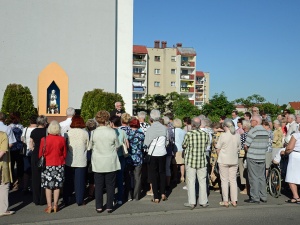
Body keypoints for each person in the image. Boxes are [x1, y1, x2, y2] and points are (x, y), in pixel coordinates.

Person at [88, 110, 120, 213]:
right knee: (110, 185)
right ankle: (110, 206)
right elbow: (117, 145)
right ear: (107, 119)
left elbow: (89, 147)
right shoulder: (112, 131)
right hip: (110, 161)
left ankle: (99, 206)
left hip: (98, 161)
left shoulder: (93, 132)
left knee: (99, 185)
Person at [182, 117, 209, 209]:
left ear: (192, 124)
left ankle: (192, 202)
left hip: (191, 160)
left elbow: (184, 145)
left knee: (191, 181)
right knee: (202, 181)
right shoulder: (205, 134)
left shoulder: (189, 134)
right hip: (201, 160)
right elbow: (207, 145)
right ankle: (203, 201)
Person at [40, 120, 67, 213]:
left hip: (47, 165)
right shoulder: (62, 139)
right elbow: (64, 153)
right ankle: (55, 205)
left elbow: (40, 154)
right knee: (57, 186)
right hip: (59, 164)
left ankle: (49, 206)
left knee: (48, 186)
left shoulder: (44, 139)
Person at [63, 115, 89, 206]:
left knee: (68, 181)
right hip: (81, 159)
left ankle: (66, 199)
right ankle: (80, 200)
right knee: (80, 182)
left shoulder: (68, 133)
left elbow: (65, 146)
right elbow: (88, 146)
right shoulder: (85, 133)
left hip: (70, 159)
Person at [144, 109, 168, 203]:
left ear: (151, 118)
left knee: (154, 175)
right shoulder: (164, 128)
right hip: (162, 152)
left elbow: (146, 143)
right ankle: (163, 193)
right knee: (162, 173)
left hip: (153, 153)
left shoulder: (150, 129)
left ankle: (156, 197)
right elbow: (167, 142)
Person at [244, 115, 269, 204]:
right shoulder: (266, 132)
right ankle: (263, 196)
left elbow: (246, 145)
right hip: (262, 156)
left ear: (256, 122)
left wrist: (248, 151)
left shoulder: (253, 131)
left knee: (253, 177)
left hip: (253, 156)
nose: (250, 122)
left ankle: (255, 197)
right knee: (261, 177)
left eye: (251, 121)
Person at [216, 118, 241, 207]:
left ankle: (226, 201)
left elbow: (218, 148)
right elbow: (239, 148)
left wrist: (219, 155)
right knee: (233, 180)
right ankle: (234, 200)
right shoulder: (237, 135)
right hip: (234, 159)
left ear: (225, 126)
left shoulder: (223, 135)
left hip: (223, 160)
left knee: (224, 181)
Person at [110, 116, 129, 205]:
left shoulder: (109, 132)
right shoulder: (123, 132)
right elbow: (127, 145)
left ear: (112, 123)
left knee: (111, 179)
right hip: (121, 156)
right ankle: (120, 198)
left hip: (111, 157)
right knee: (120, 178)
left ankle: (112, 198)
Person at [124, 118, 145, 201]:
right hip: (138, 157)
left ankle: (129, 195)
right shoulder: (141, 134)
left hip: (129, 157)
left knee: (128, 177)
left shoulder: (127, 133)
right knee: (138, 177)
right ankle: (137, 196)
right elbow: (144, 146)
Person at [29, 115, 48, 206]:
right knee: (44, 177)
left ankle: (35, 198)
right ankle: (42, 198)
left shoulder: (34, 131)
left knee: (35, 177)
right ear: (45, 122)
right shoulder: (47, 132)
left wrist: (33, 149)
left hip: (35, 154)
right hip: (44, 155)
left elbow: (31, 143)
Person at [21, 114, 38, 194]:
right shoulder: (38, 129)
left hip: (26, 151)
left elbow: (22, 139)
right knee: (35, 170)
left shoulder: (25, 129)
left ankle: (25, 187)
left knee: (26, 170)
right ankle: (33, 187)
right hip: (35, 152)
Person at [0, 131, 15, 217]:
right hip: (2, 164)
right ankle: (2, 209)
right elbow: (3, 151)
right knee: (4, 185)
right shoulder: (2, 135)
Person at [8, 112, 24, 190]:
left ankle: (13, 182)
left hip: (12, 148)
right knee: (19, 165)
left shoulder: (9, 127)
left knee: (12, 165)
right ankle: (18, 181)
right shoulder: (21, 127)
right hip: (19, 148)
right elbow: (22, 138)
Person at [284, 126, 300, 203]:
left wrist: (285, 152)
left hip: (296, 156)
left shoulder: (296, 135)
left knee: (291, 176)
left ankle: (296, 197)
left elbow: (290, 147)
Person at [85, 119, 97, 199]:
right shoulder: (96, 134)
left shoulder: (86, 134)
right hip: (95, 157)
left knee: (88, 176)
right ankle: (91, 193)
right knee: (93, 176)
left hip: (86, 157)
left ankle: (88, 192)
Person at [239, 120, 251, 195]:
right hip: (251, 154)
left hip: (243, 154)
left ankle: (246, 188)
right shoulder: (252, 134)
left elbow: (241, 145)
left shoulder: (243, 135)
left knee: (243, 171)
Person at [173, 118, 186, 183]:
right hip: (182, 148)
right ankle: (182, 176)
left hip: (175, 149)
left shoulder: (173, 131)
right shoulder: (183, 131)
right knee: (182, 164)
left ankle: (175, 176)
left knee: (175, 164)